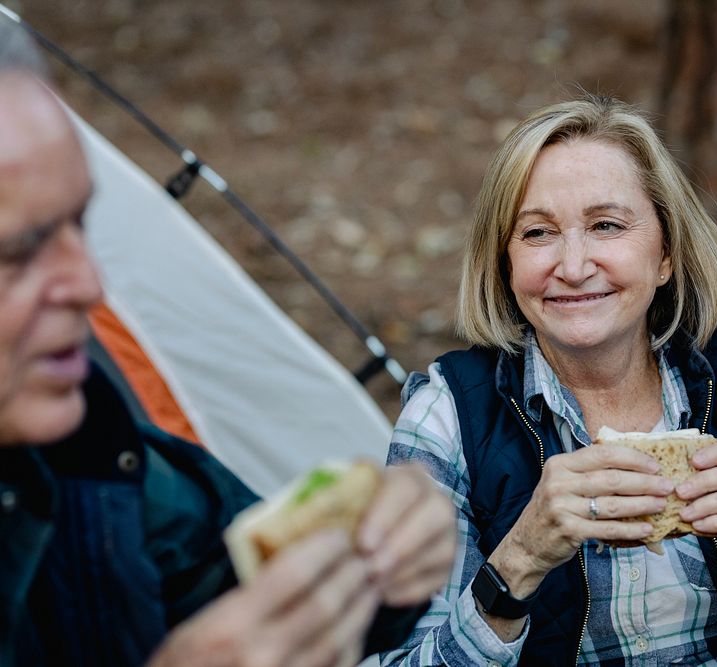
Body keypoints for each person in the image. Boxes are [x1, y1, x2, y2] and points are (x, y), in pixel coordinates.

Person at [383, 94, 717, 666]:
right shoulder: (446, 420)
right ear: (504, 266)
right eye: (537, 233)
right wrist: (519, 562)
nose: (574, 266)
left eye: (607, 226)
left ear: (665, 255)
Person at [0, 22, 456, 667]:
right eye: (20, 253)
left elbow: (227, 574)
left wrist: (378, 554)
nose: (89, 285)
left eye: (80, 223)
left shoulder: (83, 454)